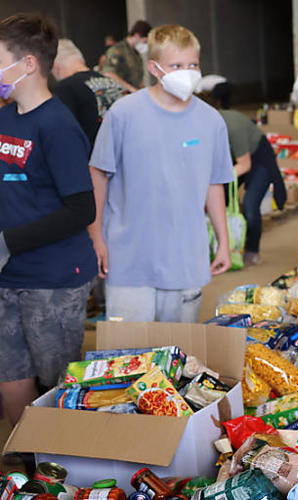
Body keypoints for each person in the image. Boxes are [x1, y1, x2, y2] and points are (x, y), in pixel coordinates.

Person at [90, 24, 233, 323]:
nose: (188, 72)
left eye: (193, 64)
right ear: (155, 68)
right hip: (129, 259)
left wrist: (223, 241)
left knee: (180, 357)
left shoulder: (211, 122)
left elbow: (214, 183)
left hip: (185, 260)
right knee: (128, 357)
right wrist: (96, 237)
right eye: (177, 65)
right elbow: (99, 174)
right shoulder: (123, 114)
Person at [0, 13, 97, 425]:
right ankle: (25, 463)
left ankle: (61, 471)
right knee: (10, 374)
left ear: (27, 64)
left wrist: (9, 241)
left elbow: (81, 209)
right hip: (8, 276)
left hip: (54, 280)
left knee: (58, 384)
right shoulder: (4, 119)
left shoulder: (58, 126)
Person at [218, 109, 287, 266]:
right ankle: (224, 247)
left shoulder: (233, 127)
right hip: (233, 160)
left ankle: (252, 250)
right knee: (221, 198)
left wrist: (217, 179)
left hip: (257, 158)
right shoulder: (204, 131)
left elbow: (244, 165)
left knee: (250, 204)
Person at [52, 39, 126, 148]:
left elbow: (63, 135)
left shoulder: (66, 88)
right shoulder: (113, 82)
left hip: (94, 160)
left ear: (55, 67)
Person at [99, 20, 150, 93]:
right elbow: (109, 74)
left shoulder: (135, 53)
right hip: (120, 95)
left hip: (133, 95)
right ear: (137, 35)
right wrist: (133, 90)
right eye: (145, 42)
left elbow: (137, 79)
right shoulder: (117, 50)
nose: (145, 45)